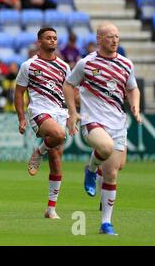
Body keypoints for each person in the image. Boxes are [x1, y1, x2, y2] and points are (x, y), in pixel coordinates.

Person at [63, 22, 141, 235]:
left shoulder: (126, 64)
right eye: (109, 36)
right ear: (99, 39)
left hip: (118, 123)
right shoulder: (86, 64)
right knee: (104, 148)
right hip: (93, 120)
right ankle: (90, 169)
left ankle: (105, 223)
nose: (114, 40)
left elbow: (133, 89)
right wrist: (73, 112)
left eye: (117, 36)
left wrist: (136, 105)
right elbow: (68, 85)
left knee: (113, 172)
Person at [14, 27, 71, 219]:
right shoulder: (28, 65)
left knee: (56, 160)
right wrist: (21, 118)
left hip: (60, 113)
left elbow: (69, 93)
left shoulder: (64, 67)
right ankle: (38, 152)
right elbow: (19, 92)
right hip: (39, 111)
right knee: (58, 135)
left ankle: (51, 209)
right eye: (48, 38)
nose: (53, 41)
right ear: (39, 42)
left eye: (55, 38)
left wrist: (73, 115)